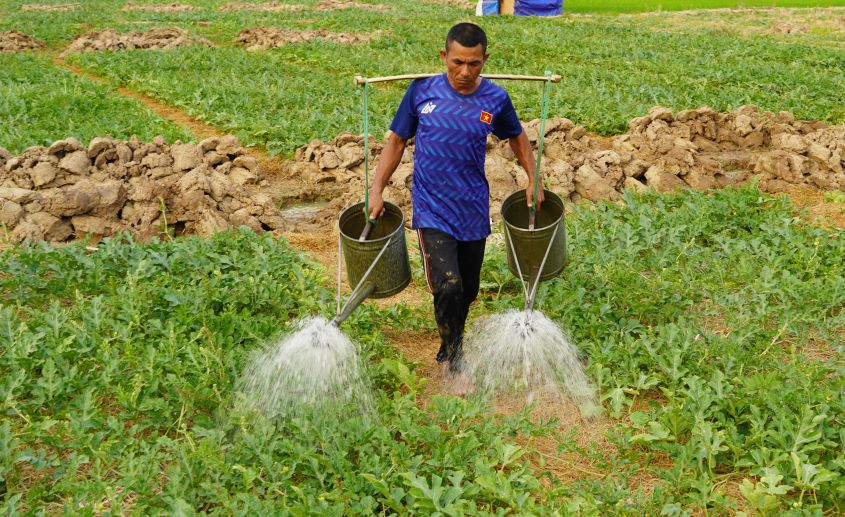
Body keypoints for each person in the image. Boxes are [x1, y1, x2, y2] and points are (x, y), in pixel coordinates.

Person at [367, 22, 543, 395]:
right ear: (444, 57)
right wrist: (376, 189)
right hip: (432, 210)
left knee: (469, 290)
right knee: (447, 286)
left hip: (473, 209)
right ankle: (454, 358)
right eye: (458, 62)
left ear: (485, 61)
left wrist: (534, 178)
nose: (465, 72)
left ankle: (449, 342)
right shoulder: (421, 92)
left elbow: (517, 137)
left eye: (474, 64)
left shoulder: (495, 99)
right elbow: (397, 140)